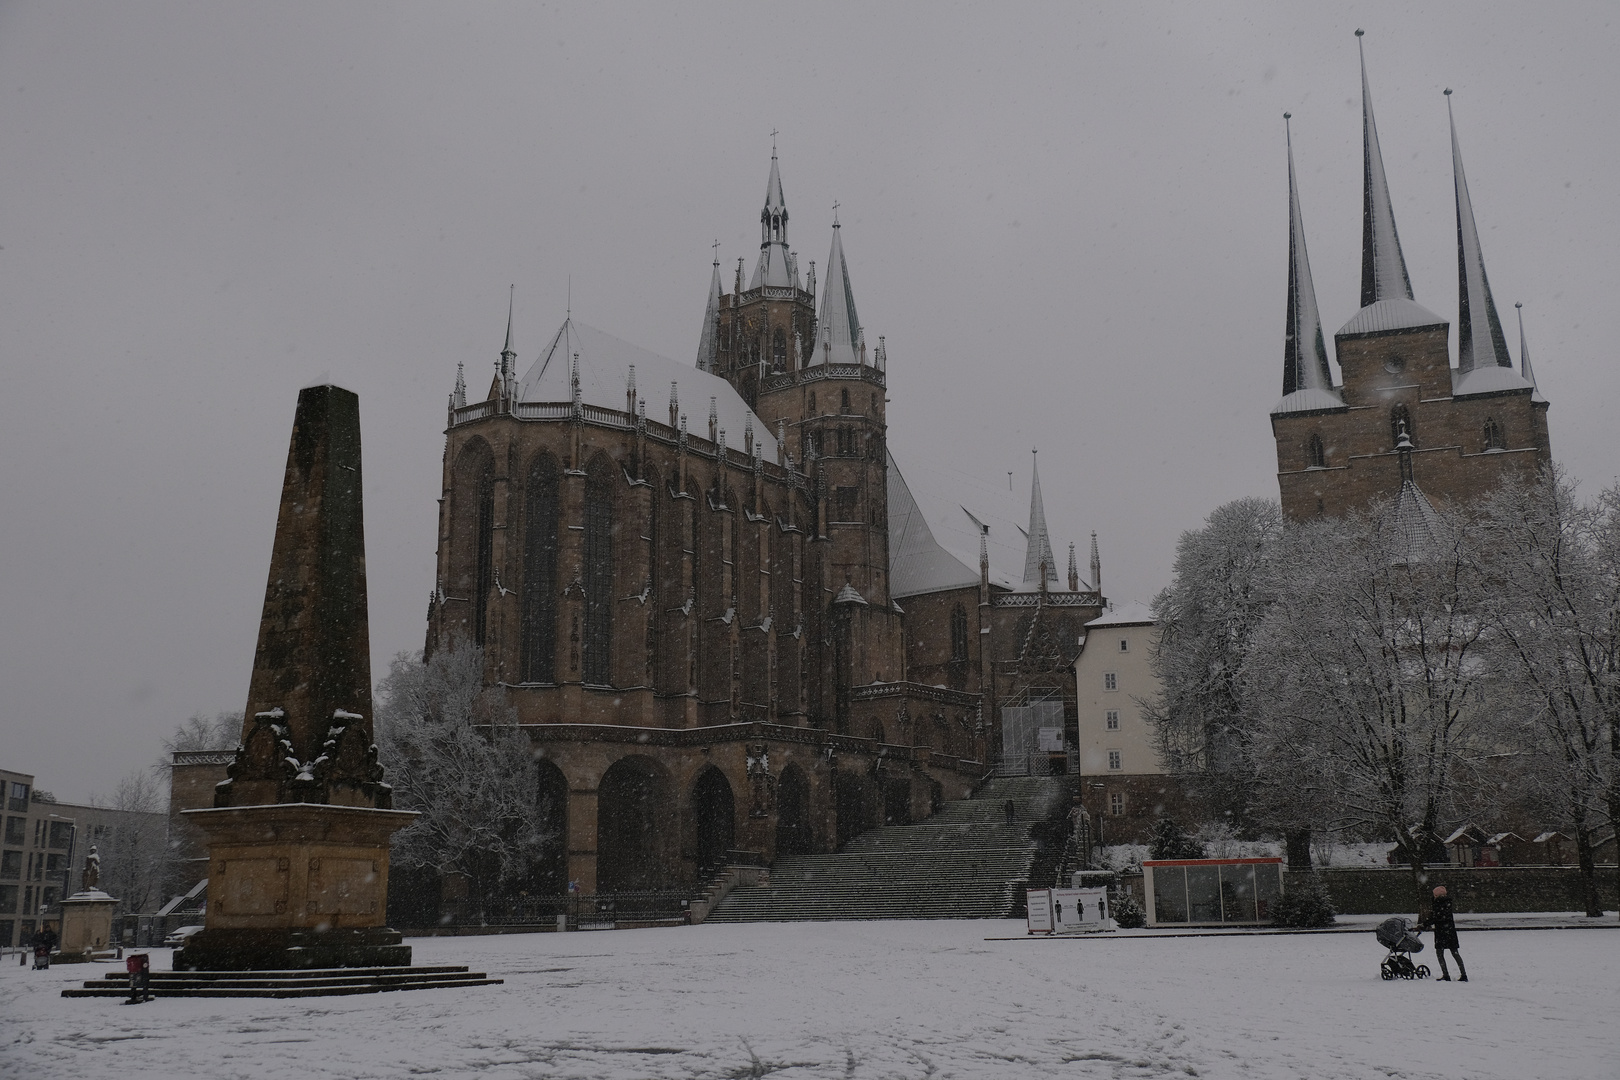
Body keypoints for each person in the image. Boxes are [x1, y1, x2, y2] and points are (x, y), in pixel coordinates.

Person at [1425, 885, 1467, 982]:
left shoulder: (1438, 904)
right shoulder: (1447, 903)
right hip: (1450, 931)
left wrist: (1427, 923)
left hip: (1441, 932)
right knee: (1455, 952)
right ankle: (1463, 974)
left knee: (1440, 953)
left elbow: (1437, 917)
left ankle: (1446, 974)